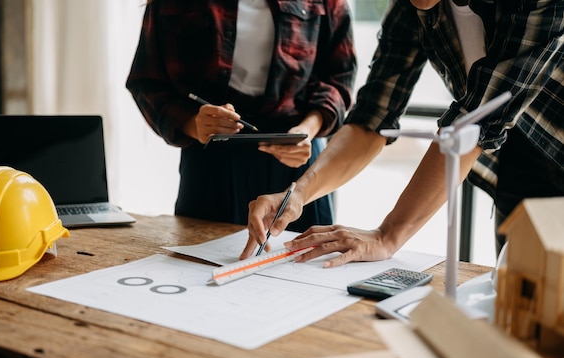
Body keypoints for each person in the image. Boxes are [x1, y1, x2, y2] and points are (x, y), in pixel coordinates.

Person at [241, 0, 564, 266]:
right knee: (525, 310)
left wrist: (388, 235)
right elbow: (373, 118)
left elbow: (475, 121)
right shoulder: (413, 7)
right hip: (520, 157)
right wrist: (298, 193)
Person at [126, 0, 356, 232]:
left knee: (304, 263)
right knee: (200, 263)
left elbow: (340, 79)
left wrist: (308, 128)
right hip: (210, 160)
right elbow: (147, 81)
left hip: (298, 156)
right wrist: (193, 124)